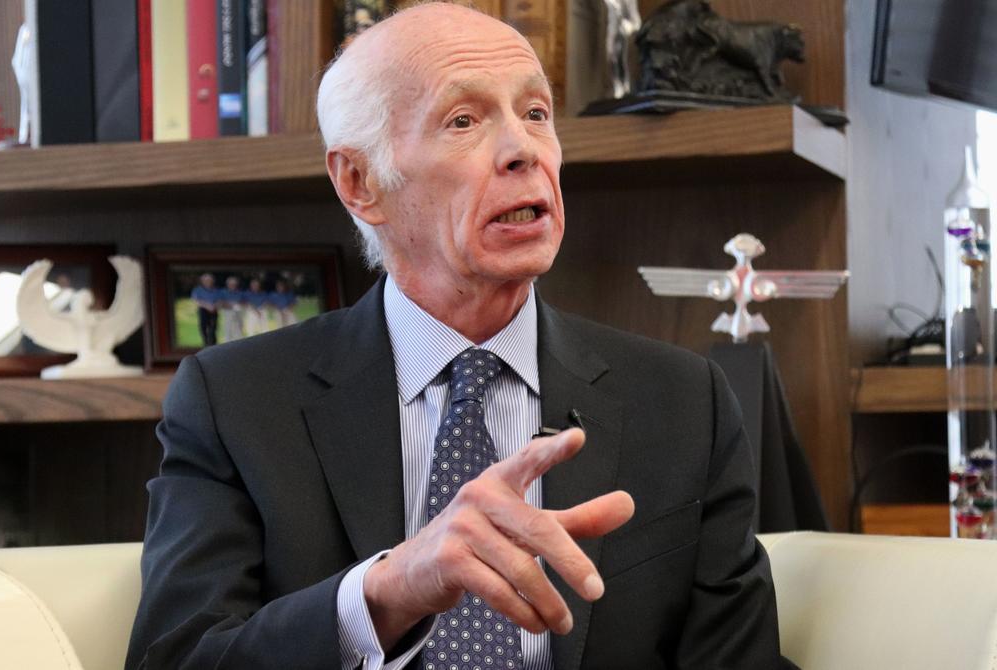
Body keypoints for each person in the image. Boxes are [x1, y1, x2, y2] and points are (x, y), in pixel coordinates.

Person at [127, 4, 787, 669]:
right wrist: (389, 591)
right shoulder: (235, 402)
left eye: (536, 113)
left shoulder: (683, 402)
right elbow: (175, 659)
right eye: (463, 121)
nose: (523, 149)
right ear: (360, 182)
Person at [189, 273, 219, 347]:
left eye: (210, 280)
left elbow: (220, 300)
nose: (208, 282)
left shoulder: (216, 290)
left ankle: (213, 344)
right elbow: (196, 300)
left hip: (214, 310)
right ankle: (206, 343)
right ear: (202, 281)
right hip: (203, 310)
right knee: (203, 327)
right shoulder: (197, 290)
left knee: (213, 328)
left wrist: (214, 306)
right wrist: (207, 306)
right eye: (206, 280)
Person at [219, 276, 246, 342]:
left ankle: (239, 343)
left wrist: (237, 304)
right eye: (231, 284)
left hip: (238, 312)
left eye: (234, 284)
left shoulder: (240, 292)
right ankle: (228, 343)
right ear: (227, 284)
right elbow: (220, 303)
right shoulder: (223, 292)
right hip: (227, 312)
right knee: (228, 329)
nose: (233, 286)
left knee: (239, 329)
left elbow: (244, 302)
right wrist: (230, 305)